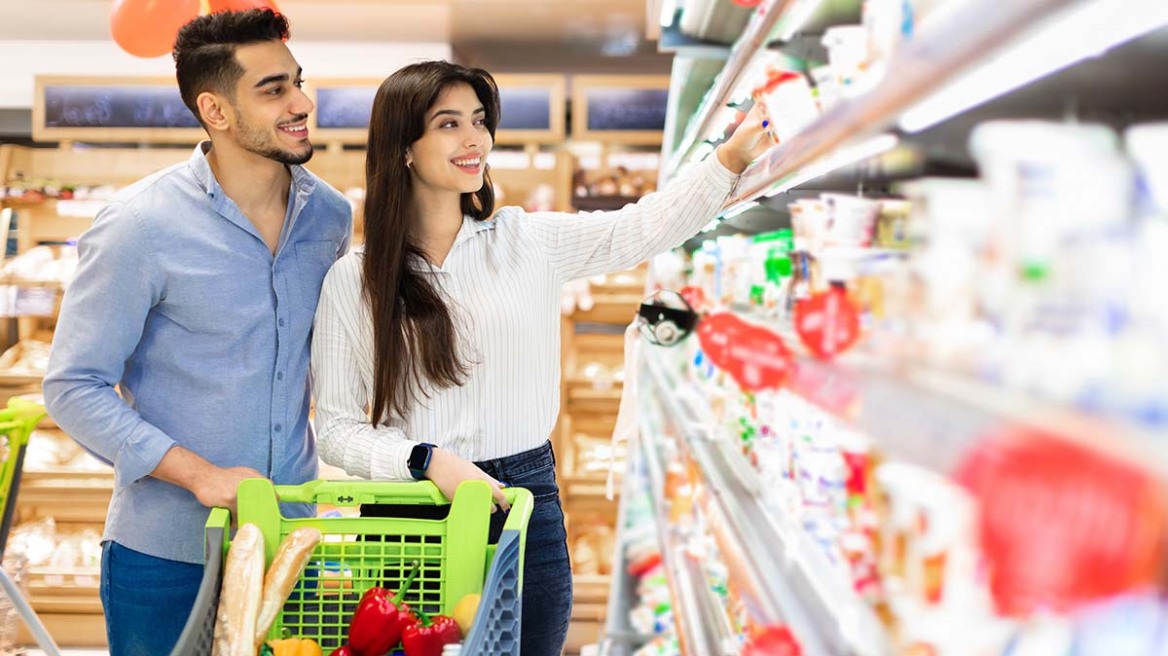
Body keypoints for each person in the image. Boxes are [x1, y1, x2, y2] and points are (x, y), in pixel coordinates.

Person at [310, 60, 769, 655]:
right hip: (410, 513)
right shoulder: (356, 279)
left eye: (479, 121)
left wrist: (729, 159)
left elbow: (641, 229)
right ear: (403, 147)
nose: (474, 139)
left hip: (523, 498)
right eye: (448, 124)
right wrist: (425, 460)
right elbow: (338, 430)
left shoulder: (528, 242)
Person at [42, 9, 351, 655]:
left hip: (293, 541)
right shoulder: (139, 225)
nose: (302, 103)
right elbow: (73, 385)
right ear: (215, 109)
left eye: (297, 81)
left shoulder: (329, 215)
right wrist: (200, 474)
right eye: (273, 90)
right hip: (166, 554)